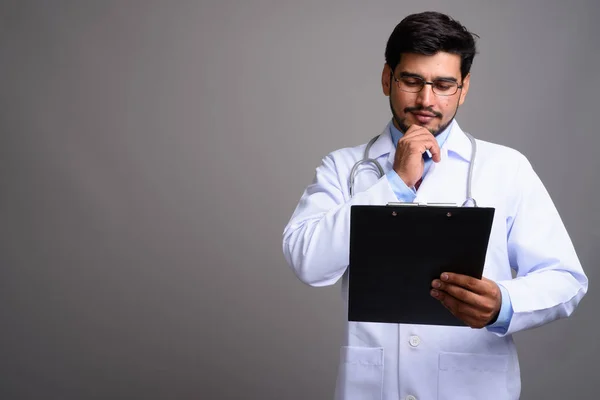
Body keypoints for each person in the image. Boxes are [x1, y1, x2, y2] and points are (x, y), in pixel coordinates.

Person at [281, 11, 588, 400]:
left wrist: (504, 304)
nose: (427, 100)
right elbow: (307, 262)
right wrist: (393, 183)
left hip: (472, 385)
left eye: (444, 84)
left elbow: (566, 279)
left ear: (464, 88)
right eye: (411, 81)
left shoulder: (507, 168)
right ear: (386, 78)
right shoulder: (343, 167)